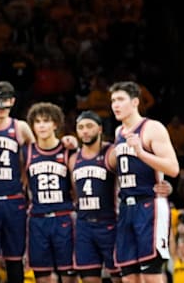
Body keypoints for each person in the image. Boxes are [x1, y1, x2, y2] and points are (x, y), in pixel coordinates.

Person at [106, 81, 179, 283]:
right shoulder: (118, 133)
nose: (115, 105)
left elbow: (173, 168)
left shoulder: (152, 128)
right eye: (113, 101)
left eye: (120, 100)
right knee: (129, 276)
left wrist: (141, 152)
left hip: (149, 206)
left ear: (135, 102)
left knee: (151, 275)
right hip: (126, 208)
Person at [23, 103, 73, 283]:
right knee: (43, 277)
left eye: (46, 121)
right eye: (37, 122)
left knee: (69, 276)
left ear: (56, 124)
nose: (42, 125)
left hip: (64, 216)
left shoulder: (68, 150)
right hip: (38, 218)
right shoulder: (27, 152)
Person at [70, 112, 120, 283]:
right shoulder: (73, 159)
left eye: (89, 126)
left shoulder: (111, 152)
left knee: (119, 276)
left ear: (99, 128)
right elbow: (74, 192)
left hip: (109, 223)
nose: (85, 131)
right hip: (84, 225)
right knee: (88, 278)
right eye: (81, 127)